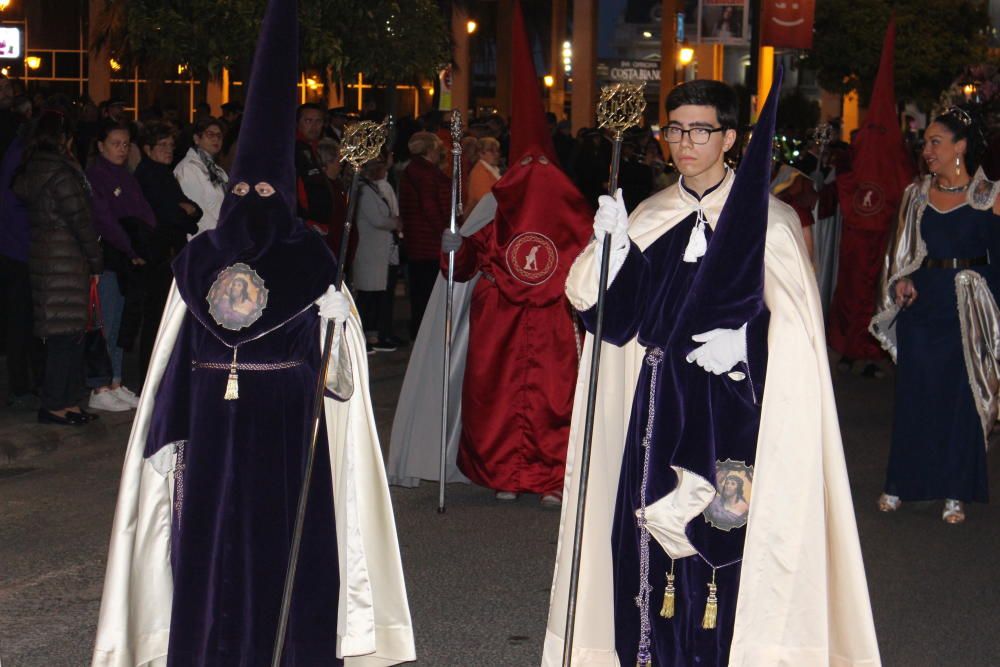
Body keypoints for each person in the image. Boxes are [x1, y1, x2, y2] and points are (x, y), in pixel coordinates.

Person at [91, 1, 415, 664]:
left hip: (293, 441)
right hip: (209, 443)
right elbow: (173, 360)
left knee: (287, 561)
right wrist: (164, 434)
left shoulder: (315, 268)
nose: (257, 201)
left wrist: (335, 331)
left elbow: (344, 385)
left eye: (271, 191)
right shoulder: (202, 262)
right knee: (209, 558)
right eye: (248, 189)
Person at [543, 78, 880, 666]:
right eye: (675, 130)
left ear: (729, 138)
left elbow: (800, 335)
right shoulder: (651, 214)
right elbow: (613, 322)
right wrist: (611, 250)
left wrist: (748, 344)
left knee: (723, 548)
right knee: (645, 549)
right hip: (651, 418)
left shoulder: (766, 223)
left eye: (699, 130)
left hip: (733, 423)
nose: (684, 143)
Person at [437, 0, 591, 506]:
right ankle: (505, 473)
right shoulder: (497, 213)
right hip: (504, 322)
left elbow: (588, 265)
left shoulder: (571, 215)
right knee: (499, 398)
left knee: (552, 397)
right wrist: (453, 247)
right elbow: (462, 268)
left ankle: (549, 477)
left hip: (550, 325)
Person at [870, 107, 1000, 525]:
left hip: (970, 311)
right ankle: (901, 483)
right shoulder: (916, 194)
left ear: (960, 146)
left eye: (935, 142)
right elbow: (901, 254)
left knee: (960, 400)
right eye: (926, 143)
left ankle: (955, 490)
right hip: (923, 308)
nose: (926, 150)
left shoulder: (991, 196)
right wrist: (902, 281)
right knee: (915, 396)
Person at [12, 110, 104, 425]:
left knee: (67, 334)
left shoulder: (34, 168)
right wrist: (95, 260)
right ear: (61, 138)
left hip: (49, 258)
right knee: (66, 336)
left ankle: (66, 401)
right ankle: (55, 404)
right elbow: (81, 220)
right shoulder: (61, 173)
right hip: (66, 260)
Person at [86, 119, 156, 412]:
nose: (122, 149)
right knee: (107, 320)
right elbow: (104, 218)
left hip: (128, 259)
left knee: (121, 323)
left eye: (126, 144)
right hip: (109, 258)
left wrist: (146, 243)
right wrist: (130, 249)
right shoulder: (96, 174)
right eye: (115, 143)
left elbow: (143, 210)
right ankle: (99, 386)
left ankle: (115, 381)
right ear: (101, 145)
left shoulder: (125, 175)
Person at [133, 122, 203, 381]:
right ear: (148, 148)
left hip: (169, 251)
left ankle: (160, 375)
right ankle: (151, 377)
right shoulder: (151, 175)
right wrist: (187, 213)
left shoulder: (164, 173)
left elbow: (193, 210)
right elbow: (171, 214)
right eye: (162, 145)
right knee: (156, 318)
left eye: (171, 145)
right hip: (159, 254)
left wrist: (189, 212)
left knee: (164, 316)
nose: (168, 150)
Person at [399, 130, 451, 339]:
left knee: (420, 291)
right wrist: (444, 231)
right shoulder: (426, 174)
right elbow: (430, 207)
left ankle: (421, 330)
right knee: (428, 291)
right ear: (431, 150)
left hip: (419, 240)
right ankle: (425, 333)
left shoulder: (413, 170)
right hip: (428, 241)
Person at [352, 156, 402, 353]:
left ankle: (373, 334)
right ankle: (365, 335)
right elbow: (376, 219)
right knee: (367, 295)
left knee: (375, 295)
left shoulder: (371, 188)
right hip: (368, 250)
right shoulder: (364, 191)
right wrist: (394, 222)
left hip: (377, 250)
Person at [174, 116, 228, 236]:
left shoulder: (218, 170)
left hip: (221, 232)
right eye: (210, 134)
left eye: (219, 136)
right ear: (197, 139)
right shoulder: (187, 168)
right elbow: (198, 212)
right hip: (203, 237)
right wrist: (220, 234)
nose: (216, 139)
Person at [466, 136, 501, 214]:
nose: (496, 154)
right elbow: (485, 201)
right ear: (481, 154)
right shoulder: (479, 172)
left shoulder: (492, 170)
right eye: (491, 151)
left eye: (497, 151)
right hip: (480, 218)